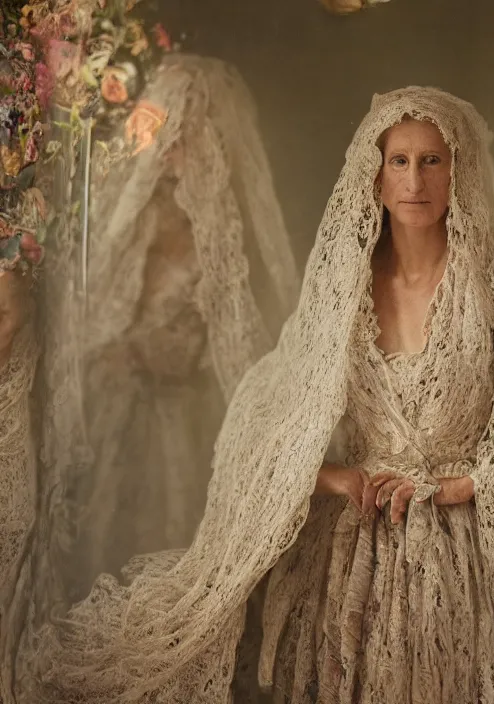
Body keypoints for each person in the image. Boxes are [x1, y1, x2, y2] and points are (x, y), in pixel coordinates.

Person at [10, 87, 494, 704]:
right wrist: (337, 477)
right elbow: (268, 413)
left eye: (433, 160)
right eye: (399, 161)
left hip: (458, 557)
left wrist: (463, 486)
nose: (415, 180)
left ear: (459, 169)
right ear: (374, 175)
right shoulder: (342, 288)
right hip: (352, 558)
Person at [0, 53, 299, 701]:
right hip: (112, 416)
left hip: (182, 424)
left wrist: (152, 356)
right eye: (164, 125)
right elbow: (83, 316)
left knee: (166, 573)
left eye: (191, 132)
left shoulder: (225, 240)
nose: (171, 144)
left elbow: (240, 352)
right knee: (90, 565)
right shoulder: (128, 218)